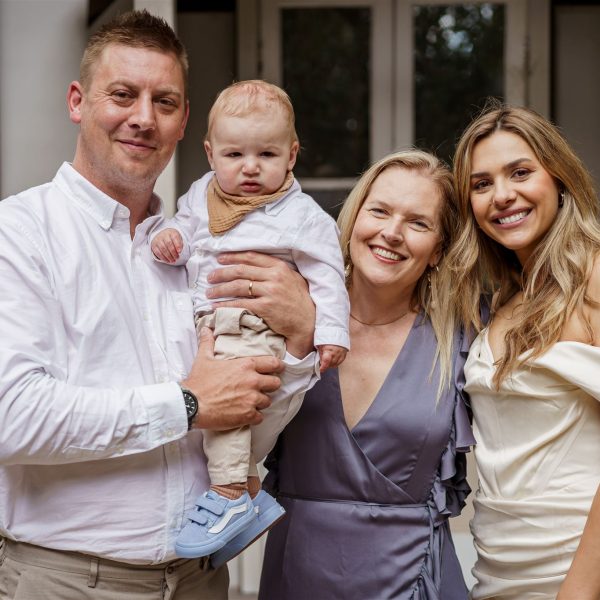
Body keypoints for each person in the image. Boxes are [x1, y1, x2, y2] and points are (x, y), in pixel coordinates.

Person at [0, 10, 317, 600]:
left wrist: (299, 341)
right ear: (78, 101)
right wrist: (188, 403)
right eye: (123, 95)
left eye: (164, 102)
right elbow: (11, 418)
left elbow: (252, 416)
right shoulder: (18, 233)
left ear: (183, 122)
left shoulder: (196, 251)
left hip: (201, 579)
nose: (143, 118)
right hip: (67, 581)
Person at [257, 150, 475, 599]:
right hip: (297, 575)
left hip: (413, 583)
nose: (391, 233)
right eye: (379, 211)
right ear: (354, 218)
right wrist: (300, 338)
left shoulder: (462, 341)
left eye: (418, 223)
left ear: (437, 251)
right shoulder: (290, 314)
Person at [150, 80, 349, 560]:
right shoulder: (202, 195)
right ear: (210, 153)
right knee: (218, 411)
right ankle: (250, 484)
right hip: (210, 323)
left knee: (228, 406)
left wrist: (331, 333)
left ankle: (228, 494)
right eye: (235, 154)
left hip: (253, 325)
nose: (251, 167)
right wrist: (172, 237)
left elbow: (328, 275)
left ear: (293, 155)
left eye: (267, 154)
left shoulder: (301, 216)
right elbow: (186, 226)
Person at [451, 103, 600, 599]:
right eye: (481, 183)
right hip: (498, 571)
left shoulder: (594, 279)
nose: (503, 196)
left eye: (520, 172)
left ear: (558, 177)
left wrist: (578, 590)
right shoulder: (505, 299)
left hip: (576, 572)